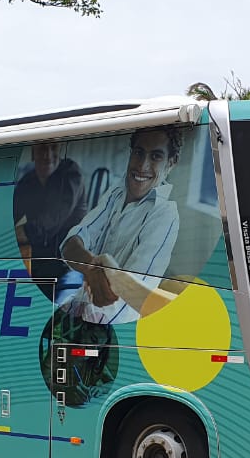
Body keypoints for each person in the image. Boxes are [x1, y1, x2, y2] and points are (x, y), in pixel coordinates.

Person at [60, 127, 182, 324]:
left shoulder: (165, 214)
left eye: (156, 156)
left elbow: (132, 295)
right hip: (77, 307)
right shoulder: (116, 193)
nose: (143, 165)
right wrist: (92, 268)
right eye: (139, 153)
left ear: (171, 162)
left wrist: (95, 273)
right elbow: (71, 243)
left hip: (107, 325)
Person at [13, 142, 86, 285]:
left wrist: (10, 236)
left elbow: (47, 222)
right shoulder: (27, 182)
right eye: (42, 148)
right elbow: (8, 218)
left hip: (69, 267)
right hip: (38, 266)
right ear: (33, 152)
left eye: (53, 147)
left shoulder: (70, 174)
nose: (47, 155)